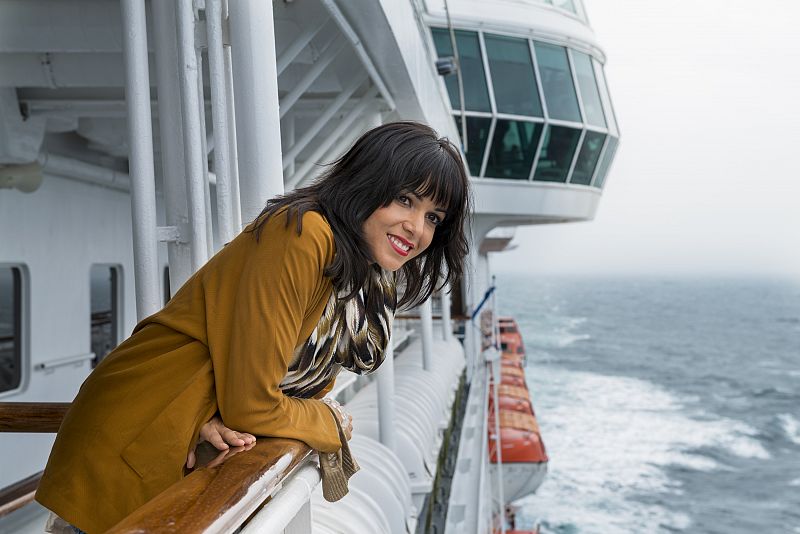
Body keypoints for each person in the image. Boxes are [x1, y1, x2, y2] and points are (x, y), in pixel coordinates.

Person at [35, 121, 471, 533]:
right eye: (405, 200)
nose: (416, 228)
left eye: (434, 217)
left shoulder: (358, 277)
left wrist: (215, 415)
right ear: (367, 183)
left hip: (182, 431)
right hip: (137, 428)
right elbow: (256, 406)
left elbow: (270, 393)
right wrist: (330, 421)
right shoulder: (304, 235)